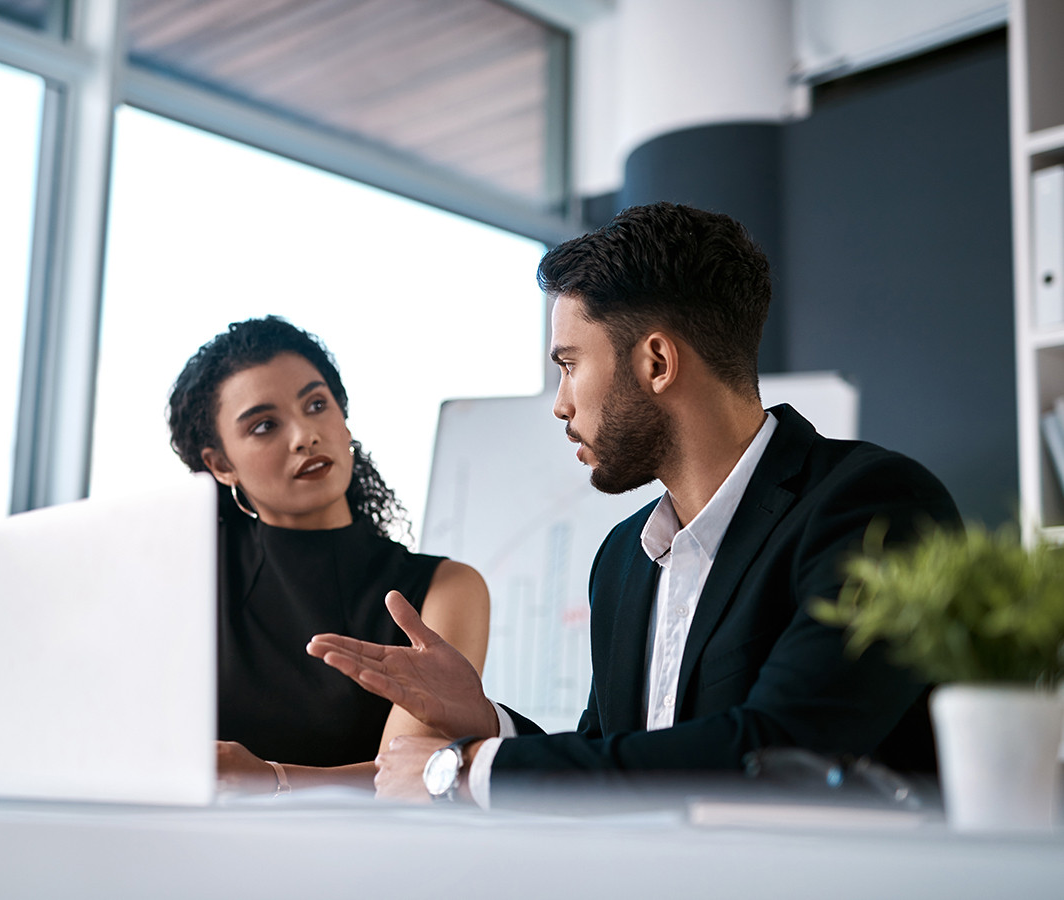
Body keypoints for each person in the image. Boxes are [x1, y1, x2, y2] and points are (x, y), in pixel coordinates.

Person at [307, 202, 958, 808]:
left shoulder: (873, 508)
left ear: (656, 361)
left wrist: (470, 773)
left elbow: (784, 753)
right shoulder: (623, 559)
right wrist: (485, 722)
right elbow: (612, 753)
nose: (560, 404)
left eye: (568, 364)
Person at [165, 317, 490, 796]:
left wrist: (271, 780)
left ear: (343, 418)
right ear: (220, 464)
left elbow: (409, 781)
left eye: (317, 405)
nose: (304, 436)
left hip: (373, 861)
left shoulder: (445, 587)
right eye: (264, 426)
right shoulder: (185, 582)